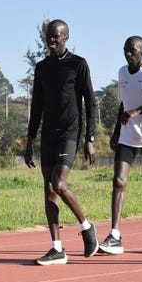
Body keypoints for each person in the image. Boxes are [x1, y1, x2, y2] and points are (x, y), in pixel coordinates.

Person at [24, 19, 99, 265]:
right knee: (48, 189)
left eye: (56, 36)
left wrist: (90, 138)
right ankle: (57, 248)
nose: (51, 40)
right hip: (49, 134)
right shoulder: (42, 67)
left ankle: (87, 226)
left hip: (70, 132)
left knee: (58, 183)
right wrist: (30, 139)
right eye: (48, 36)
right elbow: (37, 106)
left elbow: (91, 102)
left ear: (66, 37)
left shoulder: (78, 64)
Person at [99, 36, 142, 254]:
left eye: (133, 51)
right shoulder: (122, 72)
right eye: (125, 50)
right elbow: (123, 104)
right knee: (118, 181)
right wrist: (115, 131)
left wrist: (138, 110)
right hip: (127, 135)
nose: (128, 54)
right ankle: (115, 235)